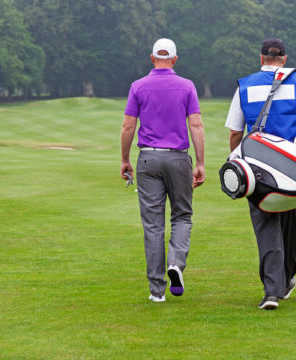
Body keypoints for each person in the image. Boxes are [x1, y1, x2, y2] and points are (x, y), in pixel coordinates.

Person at [224, 38, 296, 310]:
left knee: (267, 226)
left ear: (261, 57)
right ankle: (286, 278)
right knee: (290, 223)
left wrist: (238, 159)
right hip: (294, 167)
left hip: (257, 170)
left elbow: (234, 133)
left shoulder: (244, 85)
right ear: (284, 59)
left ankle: (271, 291)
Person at [120, 38, 205, 303]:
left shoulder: (138, 86)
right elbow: (197, 125)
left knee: (153, 226)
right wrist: (200, 162)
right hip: (178, 158)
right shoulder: (187, 86)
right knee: (181, 216)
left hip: (147, 159)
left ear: (152, 57)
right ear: (175, 59)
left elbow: (127, 127)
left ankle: (157, 291)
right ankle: (176, 264)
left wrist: (125, 159)